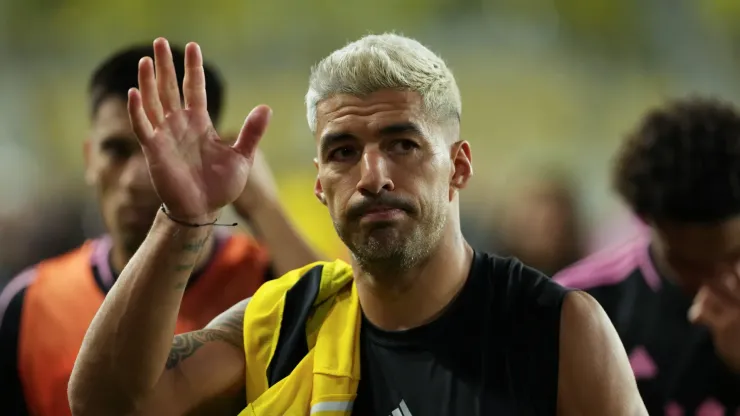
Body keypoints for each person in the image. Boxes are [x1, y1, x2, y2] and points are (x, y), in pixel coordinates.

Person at [68, 35, 646, 415]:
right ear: (320, 183)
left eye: (402, 143)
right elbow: (106, 403)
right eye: (343, 151)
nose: (373, 175)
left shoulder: (558, 329)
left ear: (459, 167)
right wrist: (186, 217)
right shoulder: (286, 319)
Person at [0, 44, 319, 416]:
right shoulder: (30, 306)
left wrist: (263, 205)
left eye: (165, 151)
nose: (138, 178)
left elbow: (345, 320)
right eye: (117, 150)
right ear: (90, 158)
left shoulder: (270, 282)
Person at [554, 97, 740, 414]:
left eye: (734, 256)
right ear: (646, 221)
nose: (713, 280)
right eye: (688, 265)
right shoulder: (576, 303)